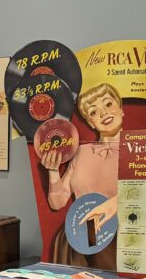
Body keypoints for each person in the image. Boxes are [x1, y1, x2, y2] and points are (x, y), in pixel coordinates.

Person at [41, 83, 122, 267]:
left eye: (108, 104)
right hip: (78, 241)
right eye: (94, 112)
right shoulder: (81, 152)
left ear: (120, 108)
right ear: (90, 122)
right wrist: (53, 171)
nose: (103, 113)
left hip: (119, 239)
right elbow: (57, 202)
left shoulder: (141, 150)